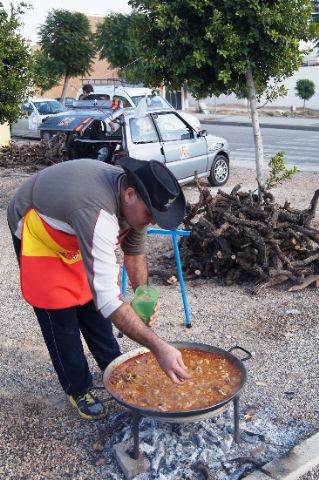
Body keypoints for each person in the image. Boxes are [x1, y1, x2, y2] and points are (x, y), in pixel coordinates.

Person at [7, 157, 190, 420]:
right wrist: (159, 348)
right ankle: (77, 387)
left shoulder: (135, 203)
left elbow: (135, 252)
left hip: (74, 229)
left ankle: (111, 365)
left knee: (90, 304)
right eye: (150, 214)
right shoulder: (97, 214)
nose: (151, 222)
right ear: (129, 194)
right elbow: (110, 301)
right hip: (38, 228)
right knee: (61, 317)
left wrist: (142, 295)